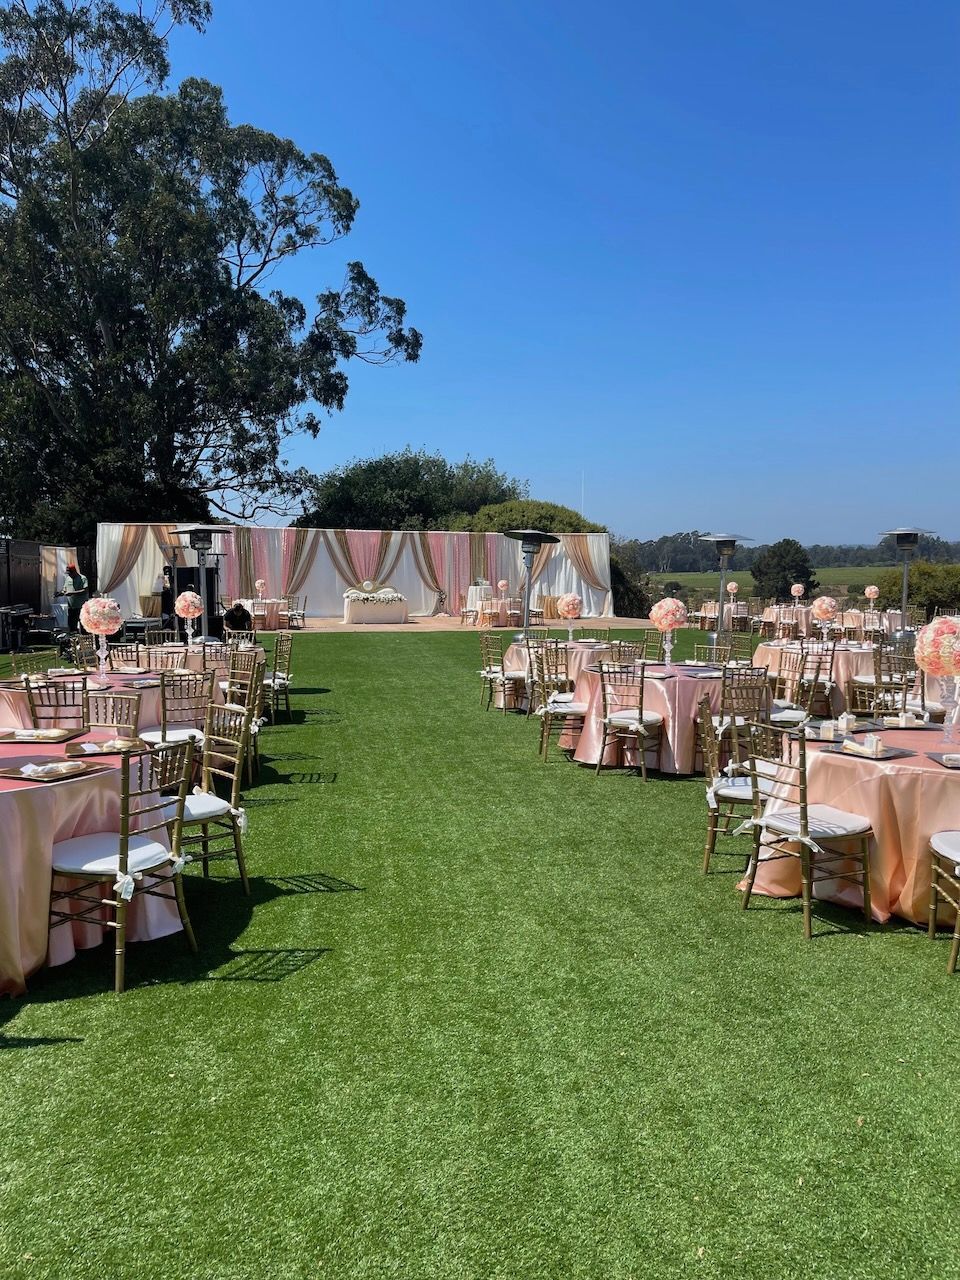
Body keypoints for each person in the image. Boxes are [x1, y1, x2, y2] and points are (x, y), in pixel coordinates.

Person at [59, 563, 89, 632]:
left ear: (75, 571)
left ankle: (84, 640)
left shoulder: (82, 578)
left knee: (83, 625)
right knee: (71, 625)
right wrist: (59, 594)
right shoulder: (68, 579)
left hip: (81, 606)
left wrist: (72, 593)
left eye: (70, 573)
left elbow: (85, 590)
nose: (69, 575)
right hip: (71, 606)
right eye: (68, 573)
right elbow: (65, 590)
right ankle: (73, 640)